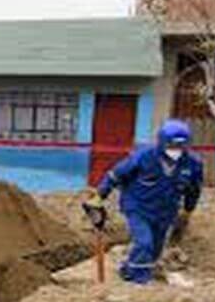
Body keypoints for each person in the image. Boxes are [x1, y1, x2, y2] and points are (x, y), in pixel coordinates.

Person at [86, 119, 204, 284]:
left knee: (155, 249)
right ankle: (140, 281)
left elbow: (193, 189)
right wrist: (100, 196)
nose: (175, 150)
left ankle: (128, 271)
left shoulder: (193, 164)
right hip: (138, 206)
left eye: (180, 146)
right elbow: (116, 174)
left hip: (166, 210)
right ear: (162, 142)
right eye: (172, 145)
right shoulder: (143, 156)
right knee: (144, 243)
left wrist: (188, 210)